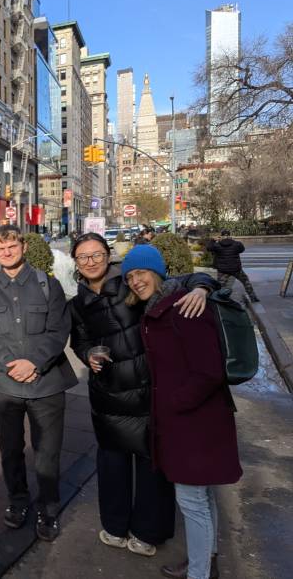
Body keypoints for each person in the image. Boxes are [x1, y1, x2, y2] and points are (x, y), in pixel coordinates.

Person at [69, 232, 218, 558]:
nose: (91, 262)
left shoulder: (130, 283)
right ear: (76, 263)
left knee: (152, 466)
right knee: (112, 465)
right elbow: (79, 341)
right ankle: (114, 526)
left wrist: (201, 288)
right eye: (83, 257)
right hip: (107, 396)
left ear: (108, 255)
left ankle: (148, 531)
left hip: (148, 391)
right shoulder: (77, 304)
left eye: (97, 254)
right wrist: (88, 354)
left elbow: (181, 280)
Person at [122, 245, 241, 579]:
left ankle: (199, 573)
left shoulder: (183, 307)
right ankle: (207, 561)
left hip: (193, 423)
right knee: (203, 496)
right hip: (193, 420)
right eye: (130, 276)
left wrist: (173, 404)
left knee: (192, 502)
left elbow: (209, 371)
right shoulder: (161, 307)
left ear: (158, 273)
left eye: (141, 272)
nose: (135, 281)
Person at [0, 225, 75, 541]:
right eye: (0, 248)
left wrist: (34, 363)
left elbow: (58, 331)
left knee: (48, 452)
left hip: (46, 385)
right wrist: (13, 365)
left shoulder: (49, 285)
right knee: (10, 450)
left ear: (24, 247)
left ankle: (48, 509)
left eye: (12, 246)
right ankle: (17, 501)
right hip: (6, 386)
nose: (6, 252)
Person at [207, 230, 259, 303]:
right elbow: (242, 249)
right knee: (246, 282)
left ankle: (218, 300)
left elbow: (209, 248)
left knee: (220, 286)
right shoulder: (237, 244)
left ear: (222, 236)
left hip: (223, 271)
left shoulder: (217, 245)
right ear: (229, 236)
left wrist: (213, 240)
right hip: (236, 269)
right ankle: (253, 297)